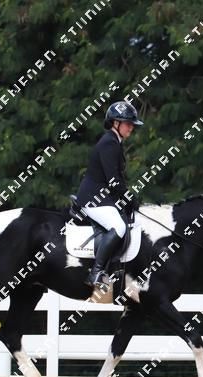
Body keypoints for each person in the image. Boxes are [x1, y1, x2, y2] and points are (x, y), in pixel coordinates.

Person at [75, 100, 143, 287]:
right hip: (93, 199)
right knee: (119, 227)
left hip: (103, 197)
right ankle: (96, 272)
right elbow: (113, 180)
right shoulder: (109, 143)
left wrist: (128, 198)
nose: (131, 127)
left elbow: (116, 179)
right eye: (128, 124)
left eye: (132, 124)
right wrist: (129, 198)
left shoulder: (115, 142)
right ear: (116, 123)